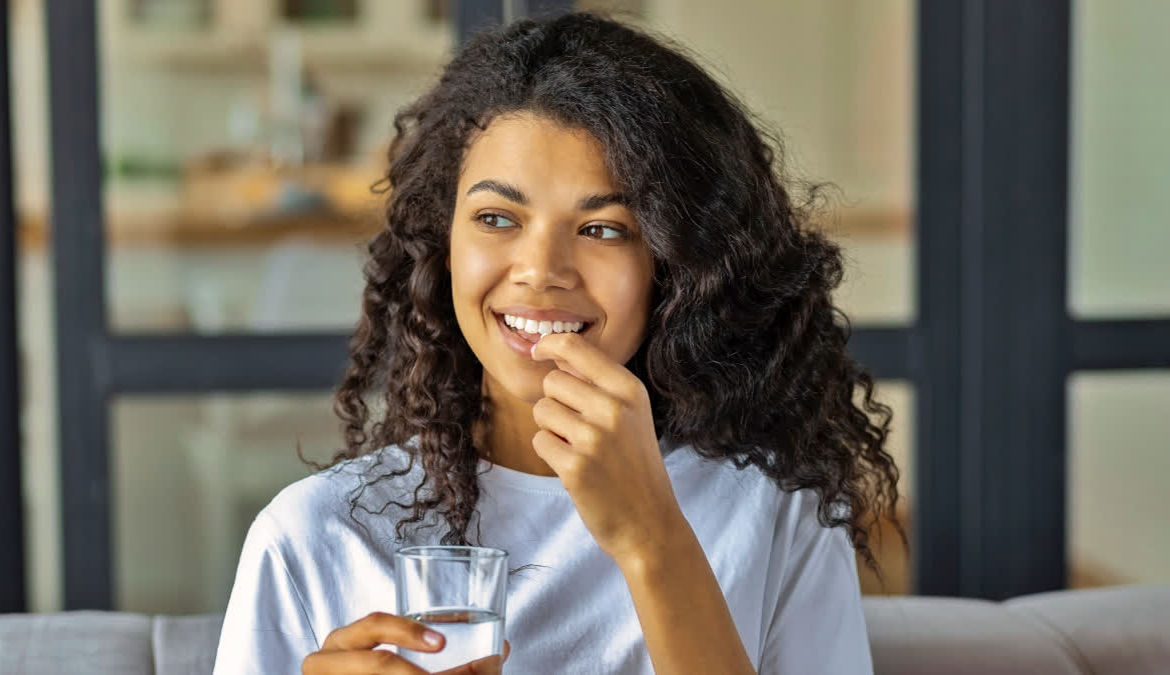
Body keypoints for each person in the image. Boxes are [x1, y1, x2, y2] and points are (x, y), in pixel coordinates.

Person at [213, 10, 902, 675]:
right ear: (443, 244)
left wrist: (650, 537)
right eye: (495, 217)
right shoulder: (314, 538)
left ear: (677, 263)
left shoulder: (774, 512)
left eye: (603, 228)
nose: (541, 269)